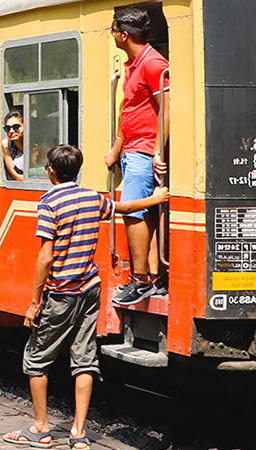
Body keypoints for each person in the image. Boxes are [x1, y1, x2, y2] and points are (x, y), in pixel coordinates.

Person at [3, 145, 167, 450]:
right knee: (85, 359)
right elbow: (125, 208)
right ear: (76, 170)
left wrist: (35, 303)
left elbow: (45, 257)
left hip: (61, 292)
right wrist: (155, 199)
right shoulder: (92, 198)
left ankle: (40, 428)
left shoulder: (49, 203)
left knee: (36, 358)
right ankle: (78, 434)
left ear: (51, 171)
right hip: (90, 289)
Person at [105, 7, 170, 305]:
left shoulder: (153, 64)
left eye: (113, 31)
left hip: (143, 150)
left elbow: (167, 109)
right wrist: (117, 146)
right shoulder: (133, 64)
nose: (112, 35)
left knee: (133, 212)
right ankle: (152, 277)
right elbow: (128, 108)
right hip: (131, 149)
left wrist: (157, 151)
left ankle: (140, 279)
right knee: (144, 215)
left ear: (124, 35)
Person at [2, 111, 25, 181]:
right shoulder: (6, 144)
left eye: (16, 127)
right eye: (7, 128)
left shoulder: (36, 145)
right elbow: (16, 176)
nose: (11, 131)